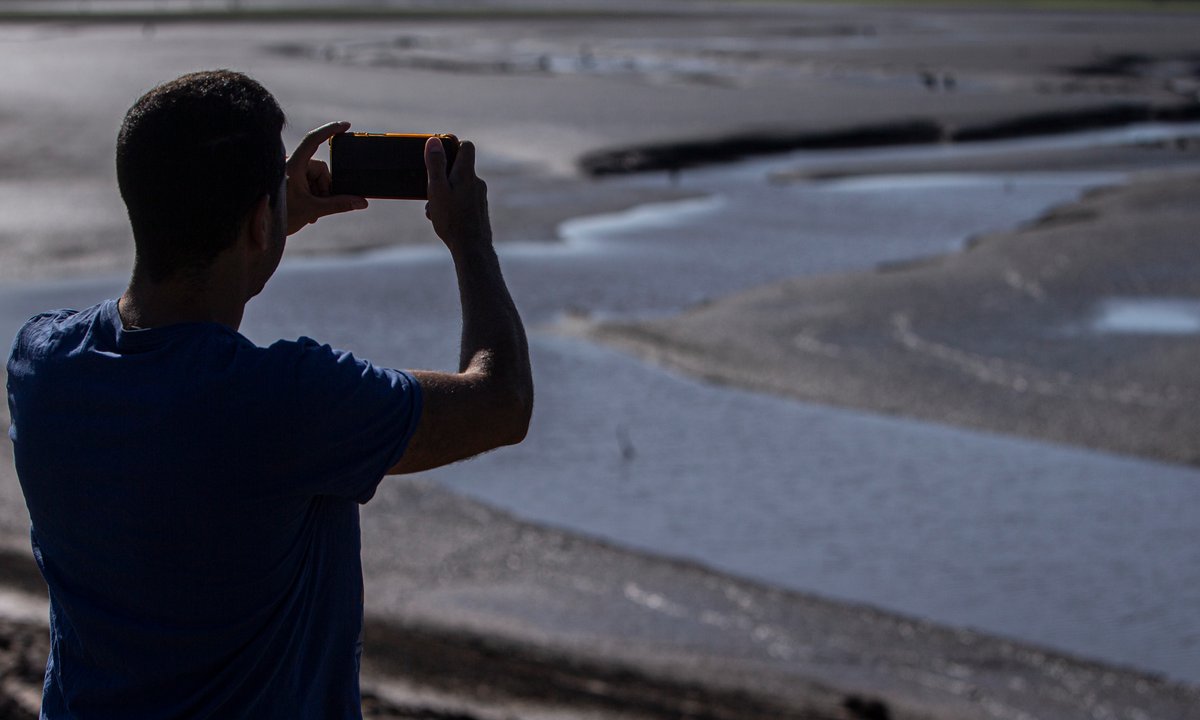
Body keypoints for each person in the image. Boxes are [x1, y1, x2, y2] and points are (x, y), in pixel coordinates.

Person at [5, 70, 532, 718]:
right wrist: (470, 239)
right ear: (260, 221)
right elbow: (501, 401)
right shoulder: (286, 402)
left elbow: (177, 341)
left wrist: (263, 222)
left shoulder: (40, 363)